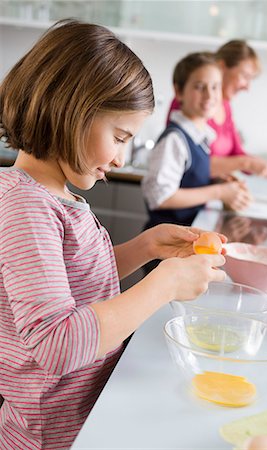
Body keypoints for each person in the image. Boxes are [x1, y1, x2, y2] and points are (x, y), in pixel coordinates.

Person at [0, 20, 227, 450]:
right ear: (71, 111)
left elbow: (73, 283)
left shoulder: (54, 197)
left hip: (88, 420)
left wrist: (144, 248)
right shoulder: (25, 206)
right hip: (53, 439)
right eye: (120, 136)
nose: (122, 158)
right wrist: (163, 286)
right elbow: (57, 344)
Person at [142, 52, 252, 232]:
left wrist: (216, 182)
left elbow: (187, 180)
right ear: (179, 92)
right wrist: (219, 192)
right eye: (200, 87)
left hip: (185, 240)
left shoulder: (202, 138)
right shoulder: (175, 139)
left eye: (215, 87)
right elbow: (160, 198)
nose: (209, 95)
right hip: (165, 247)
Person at [167, 40, 267, 181]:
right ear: (221, 67)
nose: (247, 87)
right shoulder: (190, 104)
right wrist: (248, 163)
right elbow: (195, 162)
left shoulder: (226, 106)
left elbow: (236, 153)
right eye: (245, 76)